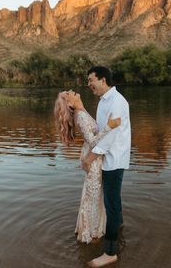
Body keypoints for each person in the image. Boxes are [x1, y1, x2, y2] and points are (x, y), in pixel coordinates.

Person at [54, 90, 121, 244]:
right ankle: (91, 233)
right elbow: (93, 142)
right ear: (70, 103)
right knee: (93, 196)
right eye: (69, 93)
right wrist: (109, 127)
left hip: (91, 157)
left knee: (93, 194)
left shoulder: (81, 112)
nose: (72, 91)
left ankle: (90, 229)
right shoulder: (81, 116)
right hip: (93, 160)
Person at [82, 66, 131, 267]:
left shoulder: (117, 102)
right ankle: (118, 227)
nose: (89, 84)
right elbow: (102, 131)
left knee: (110, 204)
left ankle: (110, 252)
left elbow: (110, 135)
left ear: (102, 80)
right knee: (114, 199)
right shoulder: (104, 101)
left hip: (114, 159)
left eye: (91, 80)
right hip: (107, 157)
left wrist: (90, 158)